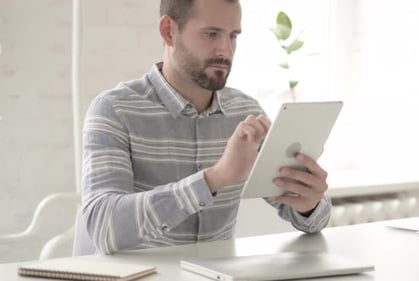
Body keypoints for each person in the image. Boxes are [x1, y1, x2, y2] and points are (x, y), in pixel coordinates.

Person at [74, 0, 331, 255]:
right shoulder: (114, 110)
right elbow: (103, 227)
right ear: (168, 31)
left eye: (233, 36)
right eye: (211, 34)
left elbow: (312, 221)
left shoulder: (245, 112)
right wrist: (214, 178)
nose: (225, 50)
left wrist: (308, 203)